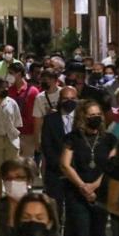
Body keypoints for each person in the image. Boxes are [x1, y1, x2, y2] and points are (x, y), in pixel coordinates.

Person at [60, 100, 115, 236]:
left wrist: (95, 186)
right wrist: (83, 186)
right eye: (91, 115)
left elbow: (111, 165)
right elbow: (65, 164)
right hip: (77, 193)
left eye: (98, 115)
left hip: (100, 193)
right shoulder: (72, 138)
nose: (96, 118)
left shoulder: (109, 139)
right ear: (83, 117)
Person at [40, 86, 77, 220]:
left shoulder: (82, 119)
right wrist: (62, 166)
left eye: (72, 98)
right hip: (55, 172)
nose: (69, 101)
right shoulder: (50, 120)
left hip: (78, 172)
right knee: (55, 212)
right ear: (60, 100)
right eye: (66, 99)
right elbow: (47, 146)